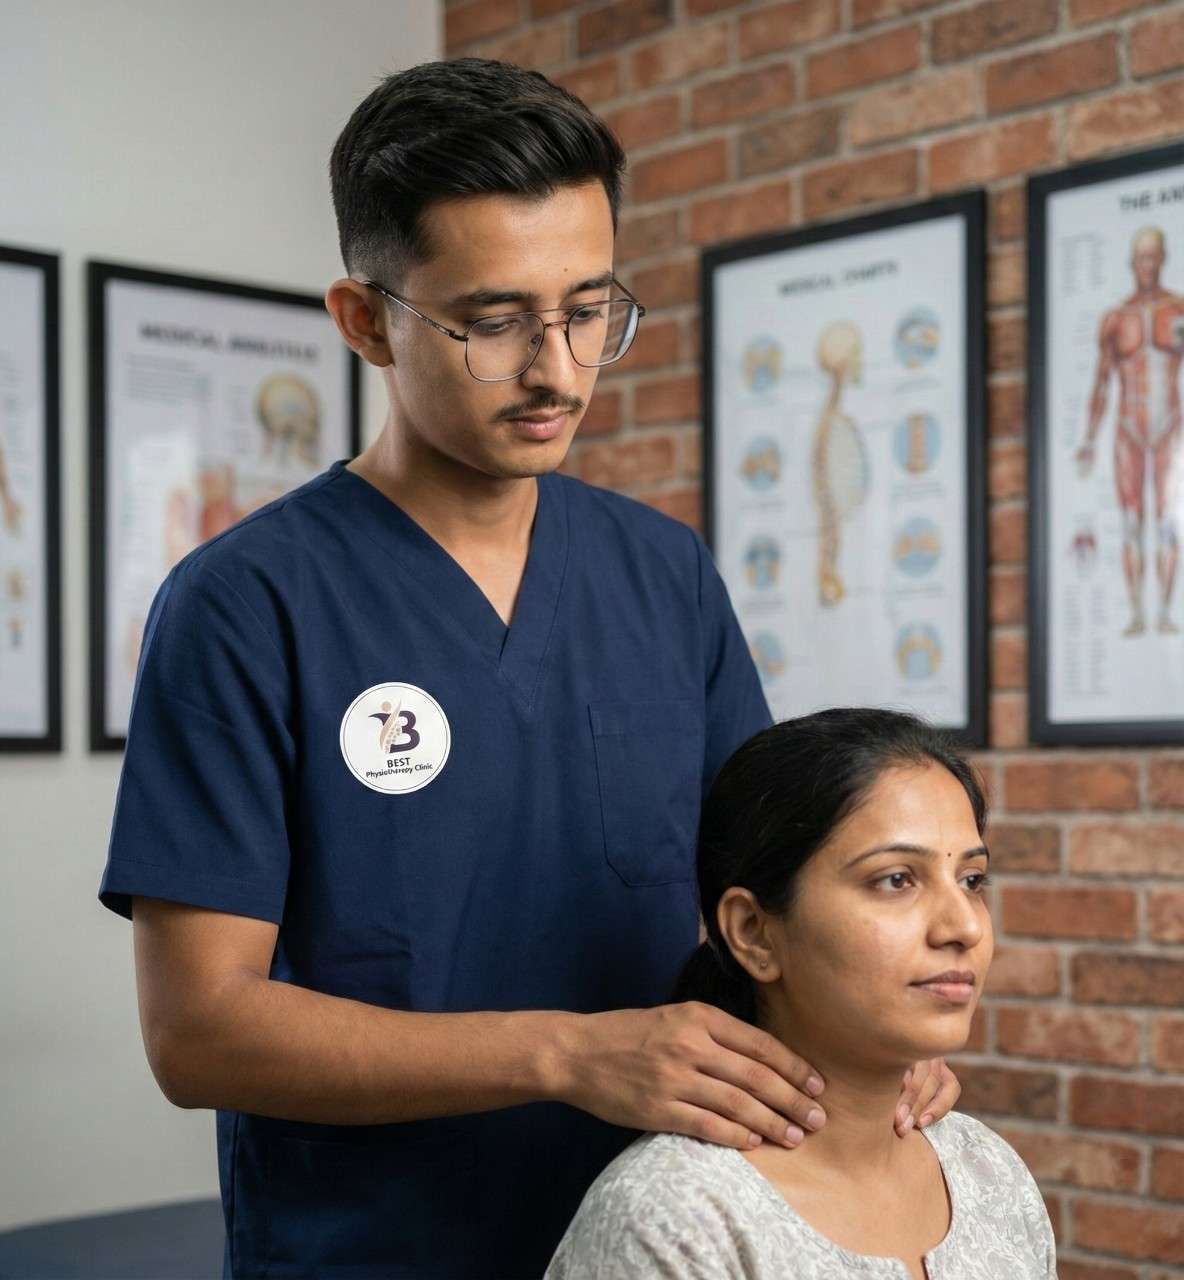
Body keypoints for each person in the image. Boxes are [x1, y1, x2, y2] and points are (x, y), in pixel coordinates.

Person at [97, 59, 960, 1279]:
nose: (558, 369)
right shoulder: (245, 605)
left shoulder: (663, 574)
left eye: (589, 307)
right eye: (493, 322)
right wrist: (571, 1053)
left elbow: (766, 902)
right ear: (363, 320)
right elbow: (200, 1032)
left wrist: (865, 1027)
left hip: (668, 1238)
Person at [546, 708, 1058, 1279]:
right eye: (896, 879)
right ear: (754, 932)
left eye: (972, 880)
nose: (963, 926)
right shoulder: (672, 1217)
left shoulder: (988, 1170)